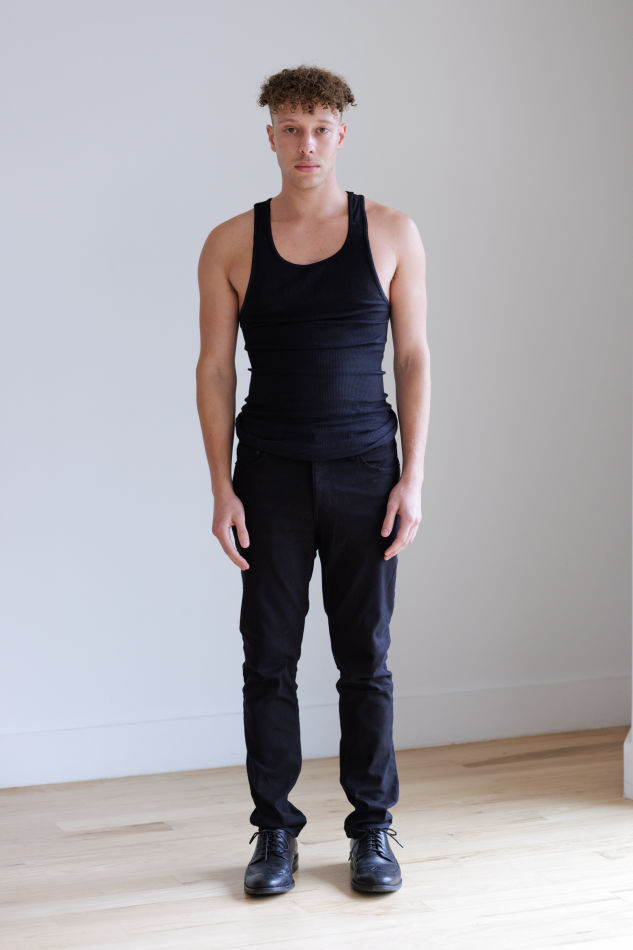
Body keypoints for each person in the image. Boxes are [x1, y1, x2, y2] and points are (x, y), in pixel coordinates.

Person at [196, 64, 430, 896]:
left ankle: (372, 830)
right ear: (270, 136)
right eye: (290, 129)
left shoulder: (392, 231)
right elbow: (215, 369)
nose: (306, 144)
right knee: (268, 658)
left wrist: (412, 478)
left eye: (320, 128)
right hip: (268, 474)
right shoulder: (231, 242)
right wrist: (221, 487)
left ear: (341, 135)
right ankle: (274, 833)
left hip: (367, 470)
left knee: (365, 658)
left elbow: (412, 357)